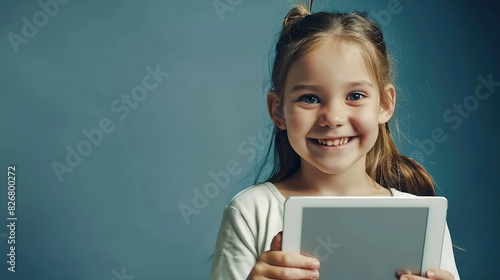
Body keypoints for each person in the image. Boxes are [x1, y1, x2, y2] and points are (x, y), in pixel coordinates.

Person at [210, 2, 460, 279]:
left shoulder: (423, 221)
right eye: (310, 98)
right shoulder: (252, 211)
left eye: (355, 96)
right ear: (278, 111)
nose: (333, 118)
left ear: (385, 105)